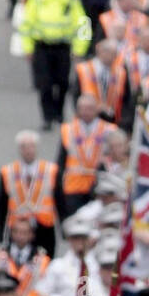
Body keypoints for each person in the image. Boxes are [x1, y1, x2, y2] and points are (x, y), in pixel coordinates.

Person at [19, 0, 90, 133]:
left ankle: (59, 113)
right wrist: (27, 48)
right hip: (42, 47)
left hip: (63, 47)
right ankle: (47, 117)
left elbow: (83, 25)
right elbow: (26, 24)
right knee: (44, 84)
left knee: (63, 82)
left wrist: (80, 49)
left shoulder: (70, 0)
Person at [0, 131, 58, 256]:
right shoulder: (8, 172)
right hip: (19, 230)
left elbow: (60, 202)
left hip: (44, 228)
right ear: (19, 150)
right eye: (24, 147)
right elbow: (0, 208)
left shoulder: (51, 170)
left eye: (31, 146)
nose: (28, 150)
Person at [56, 92, 116, 220]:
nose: (85, 112)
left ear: (96, 110)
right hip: (74, 184)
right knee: (75, 222)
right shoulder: (68, 129)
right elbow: (61, 159)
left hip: (99, 183)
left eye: (89, 108)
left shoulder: (109, 130)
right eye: (82, 108)